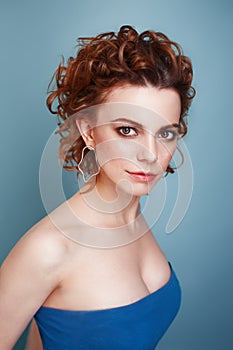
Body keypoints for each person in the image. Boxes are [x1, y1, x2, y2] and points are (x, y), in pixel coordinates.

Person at [0, 25, 195, 350]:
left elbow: (46, 334)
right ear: (88, 133)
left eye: (165, 133)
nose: (150, 154)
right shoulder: (47, 250)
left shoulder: (134, 218)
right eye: (127, 130)